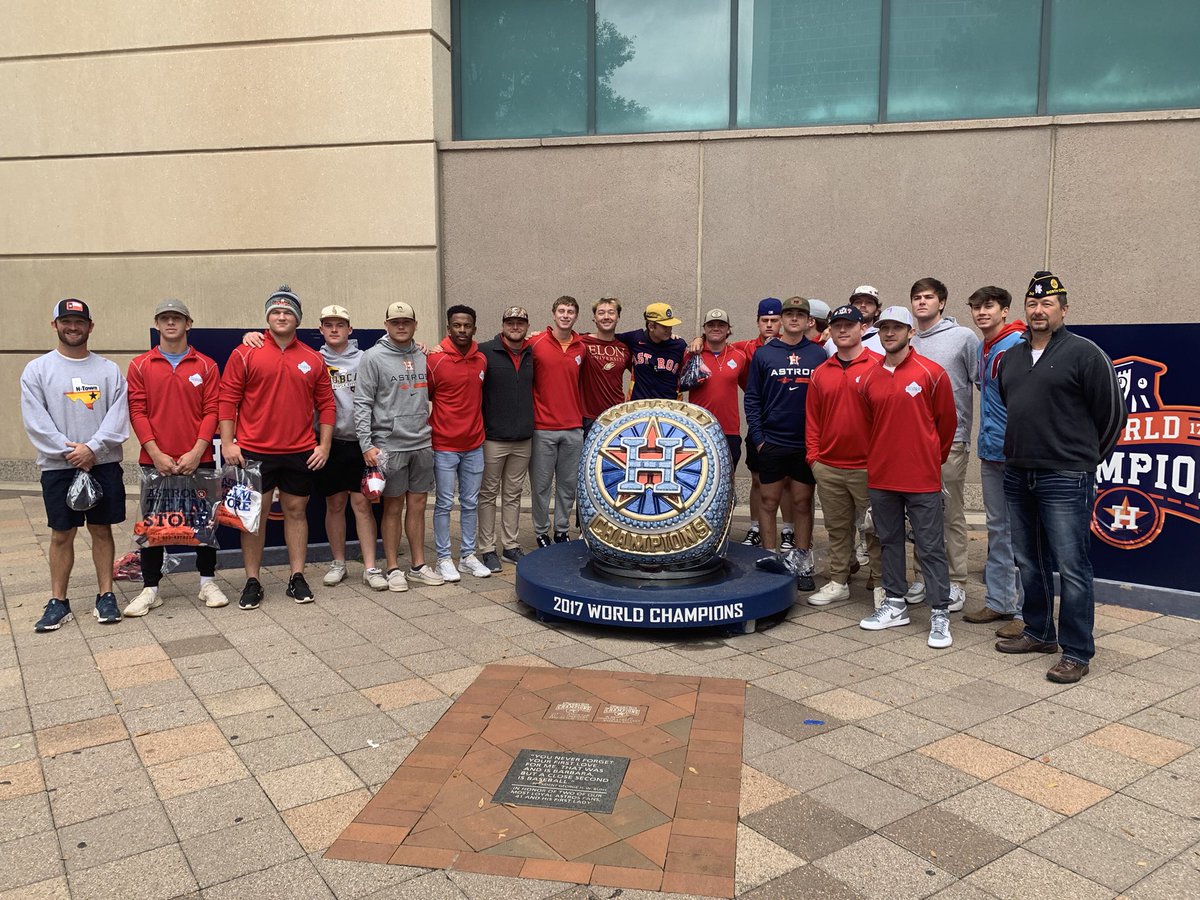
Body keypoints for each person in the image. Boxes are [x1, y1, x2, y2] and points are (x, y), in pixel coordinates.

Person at [996, 271, 1125, 683]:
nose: (1038, 310)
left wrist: (1082, 461)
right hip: (1018, 474)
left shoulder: (1086, 354)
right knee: (1028, 561)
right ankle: (1038, 631)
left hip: (1065, 478)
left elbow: (1113, 416)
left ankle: (1076, 651)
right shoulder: (1011, 358)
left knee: (1071, 566)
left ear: (1063, 310)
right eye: (1032, 304)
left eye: (1047, 304)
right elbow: (1009, 405)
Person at [244, 305, 385, 589]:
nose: (334, 329)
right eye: (328, 325)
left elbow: (392, 348)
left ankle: (370, 567)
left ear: (350, 329)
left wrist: (421, 347)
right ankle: (338, 563)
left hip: (360, 443)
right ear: (320, 329)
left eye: (340, 324)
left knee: (361, 504)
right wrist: (251, 335)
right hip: (326, 443)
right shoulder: (312, 357)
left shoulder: (366, 358)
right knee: (334, 504)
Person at [219, 286, 335, 609]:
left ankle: (297, 577)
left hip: (299, 451)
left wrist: (323, 445)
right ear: (268, 317)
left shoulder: (313, 359)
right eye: (276, 312)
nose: (281, 316)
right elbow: (227, 400)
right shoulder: (245, 353)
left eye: (288, 312)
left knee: (296, 513)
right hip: (254, 453)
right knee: (253, 518)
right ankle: (252, 581)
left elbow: (326, 405)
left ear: (297, 319)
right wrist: (228, 442)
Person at [22, 299, 130, 632]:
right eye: (66, 321)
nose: (73, 327)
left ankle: (106, 595)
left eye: (79, 322)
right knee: (61, 534)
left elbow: (118, 415)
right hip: (59, 467)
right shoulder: (38, 370)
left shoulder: (108, 370)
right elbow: (36, 421)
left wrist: (93, 449)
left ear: (90, 326)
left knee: (102, 530)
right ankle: (58, 602)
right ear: (55, 325)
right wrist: (72, 453)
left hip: (103, 464)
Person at [857, 306, 957, 648]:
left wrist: (930, 459)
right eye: (884, 328)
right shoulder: (869, 377)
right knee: (889, 542)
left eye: (896, 328)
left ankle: (940, 612)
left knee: (930, 548)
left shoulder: (932, 373)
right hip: (882, 476)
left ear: (910, 332)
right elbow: (868, 425)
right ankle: (896, 604)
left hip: (921, 478)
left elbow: (946, 425)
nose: (889, 334)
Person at [125, 299, 227, 616]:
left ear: (188, 324)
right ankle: (150, 589)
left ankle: (207, 582)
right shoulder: (140, 365)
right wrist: (155, 452)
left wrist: (198, 450)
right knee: (154, 527)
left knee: (204, 524)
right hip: (155, 460)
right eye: (165, 318)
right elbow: (137, 411)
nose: (171, 323)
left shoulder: (206, 365)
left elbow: (213, 410)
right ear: (157, 324)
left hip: (199, 458)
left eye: (177, 318)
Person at [354, 301, 445, 592]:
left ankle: (418, 565)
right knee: (393, 507)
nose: (401, 326)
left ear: (415, 325)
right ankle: (393, 567)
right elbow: (362, 403)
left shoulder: (422, 354)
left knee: (418, 506)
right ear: (386, 325)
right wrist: (366, 444)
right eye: (395, 322)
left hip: (421, 442)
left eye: (406, 321)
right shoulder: (373, 357)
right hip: (389, 446)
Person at [744, 296, 827, 591]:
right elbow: (752, 398)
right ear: (780, 320)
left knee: (803, 503)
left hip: (805, 443)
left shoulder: (818, 355)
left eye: (799, 315)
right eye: (788, 314)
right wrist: (759, 438)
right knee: (768, 502)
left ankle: (802, 563)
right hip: (772, 442)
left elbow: (826, 400)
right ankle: (770, 559)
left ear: (808, 321)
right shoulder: (766, 354)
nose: (794, 319)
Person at [908, 277, 979, 613]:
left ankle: (956, 580)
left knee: (950, 513)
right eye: (917, 298)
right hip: (911, 444)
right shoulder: (907, 338)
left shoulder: (963, 338)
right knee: (921, 514)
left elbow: (983, 382)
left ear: (942, 303)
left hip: (951, 440)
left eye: (928, 297)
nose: (922, 303)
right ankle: (924, 575)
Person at [805, 305, 882, 607]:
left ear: (863, 328)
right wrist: (814, 459)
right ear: (831, 330)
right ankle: (839, 581)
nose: (843, 330)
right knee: (837, 529)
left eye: (850, 325)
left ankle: (883, 585)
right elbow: (812, 419)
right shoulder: (821, 373)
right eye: (837, 325)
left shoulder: (878, 366)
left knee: (877, 531)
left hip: (868, 467)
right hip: (830, 466)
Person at [963, 287, 1026, 635]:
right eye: (976, 307)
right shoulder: (983, 348)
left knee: (1024, 534)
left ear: (1004, 310)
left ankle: (1025, 612)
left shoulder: (1017, 344)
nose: (981, 312)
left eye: (989, 306)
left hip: (1017, 453)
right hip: (990, 451)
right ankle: (1000, 602)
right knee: (998, 530)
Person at [427, 305, 491, 582]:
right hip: (444, 444)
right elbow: (424, 397)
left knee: (470, 502)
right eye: (457, 325)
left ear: (474, 328)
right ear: (449, 328)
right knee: (443, 503)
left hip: (474, 444)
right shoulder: (434, 360)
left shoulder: (481, 360)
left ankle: (467, 556)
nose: (462, 330)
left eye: (467, 325)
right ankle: (443, 558)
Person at [732, 298, 794, 549]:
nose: (769, 325)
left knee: (788, 481)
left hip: (787, 422)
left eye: (774, 320)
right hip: (759, 422)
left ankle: (789, 530)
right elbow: (718, 343)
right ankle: (755, 528)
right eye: (764, 320)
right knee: (758, 480)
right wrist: (699, 340)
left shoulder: (793, 346)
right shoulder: (745, 347)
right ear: (757, 322)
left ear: (781, 322)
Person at [477, 306, 535, 571]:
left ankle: (510, 545)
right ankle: (487, 549)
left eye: (520, 322)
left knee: (512, 495)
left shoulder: (533, 352)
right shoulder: (485, 351)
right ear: (502, 325)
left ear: (526, 325)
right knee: (488, 494)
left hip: (523, 437)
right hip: (493, 438)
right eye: (510, 322)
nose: (515, 326)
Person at [528, 296, 586, 547]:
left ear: (575, 316)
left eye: (570, 311)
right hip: (542, 427)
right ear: (553, 314)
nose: (565, 315)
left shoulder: (582, 346)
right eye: (561, 311)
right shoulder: (535, 342)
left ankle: (561, 530)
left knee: (567, 485)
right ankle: (541, 531)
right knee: (541, 486)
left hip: (573, 427)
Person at [683, 309, 750, 471]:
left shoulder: (739, 356)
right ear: (704, 329)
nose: (716, 328)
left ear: (728, 329)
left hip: (729, 430)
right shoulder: (691, 354)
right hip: (699, 428)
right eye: (711, 325)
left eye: (721, 325)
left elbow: (750, 389)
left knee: (727, 480)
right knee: (698, 479)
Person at [580, 297, 631, 433]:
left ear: (618, 317)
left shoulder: (625, 348)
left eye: (611, 312)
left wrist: (669, 334)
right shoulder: (581, 342)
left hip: (616, 416)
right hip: (587, 418)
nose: (606, 317)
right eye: (601, 313)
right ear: (594, 318)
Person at [618, 303, 687, 401]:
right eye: (665, 326)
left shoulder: (679, 345)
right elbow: (608, 339)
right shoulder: (635, 338)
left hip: (669, 408)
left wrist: (699, 339)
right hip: (639, 406)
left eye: (670, 326)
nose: (669, 329)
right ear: (651, 326)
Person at [852, 285, 884, 355]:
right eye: (858, 302)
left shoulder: (885, 339)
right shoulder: (835, 339)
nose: (863, 305)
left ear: (877, 312)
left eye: (869, 302)